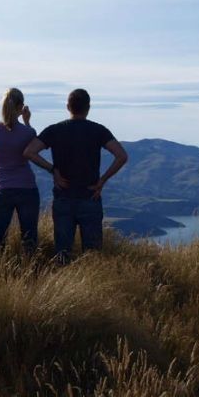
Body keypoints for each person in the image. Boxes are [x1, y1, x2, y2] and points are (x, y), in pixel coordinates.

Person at [23, 89, 128, 265]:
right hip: (90, 197)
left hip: (63, 198)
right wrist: (102, 181)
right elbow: (121, 156)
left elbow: (29, 152)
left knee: (62, 254)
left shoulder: (54, 130)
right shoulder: (98, 130)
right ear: (88, 108)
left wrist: (52, 170)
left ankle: (65, 289)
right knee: (93, 256)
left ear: (68, 107)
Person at [0, 88, 41, 259]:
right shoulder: (28, 132)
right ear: (21, 107)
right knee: (29, 238)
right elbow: (32, 148)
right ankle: (32, 276)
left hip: (1, 188)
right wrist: (27, 122)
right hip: (26, 188)